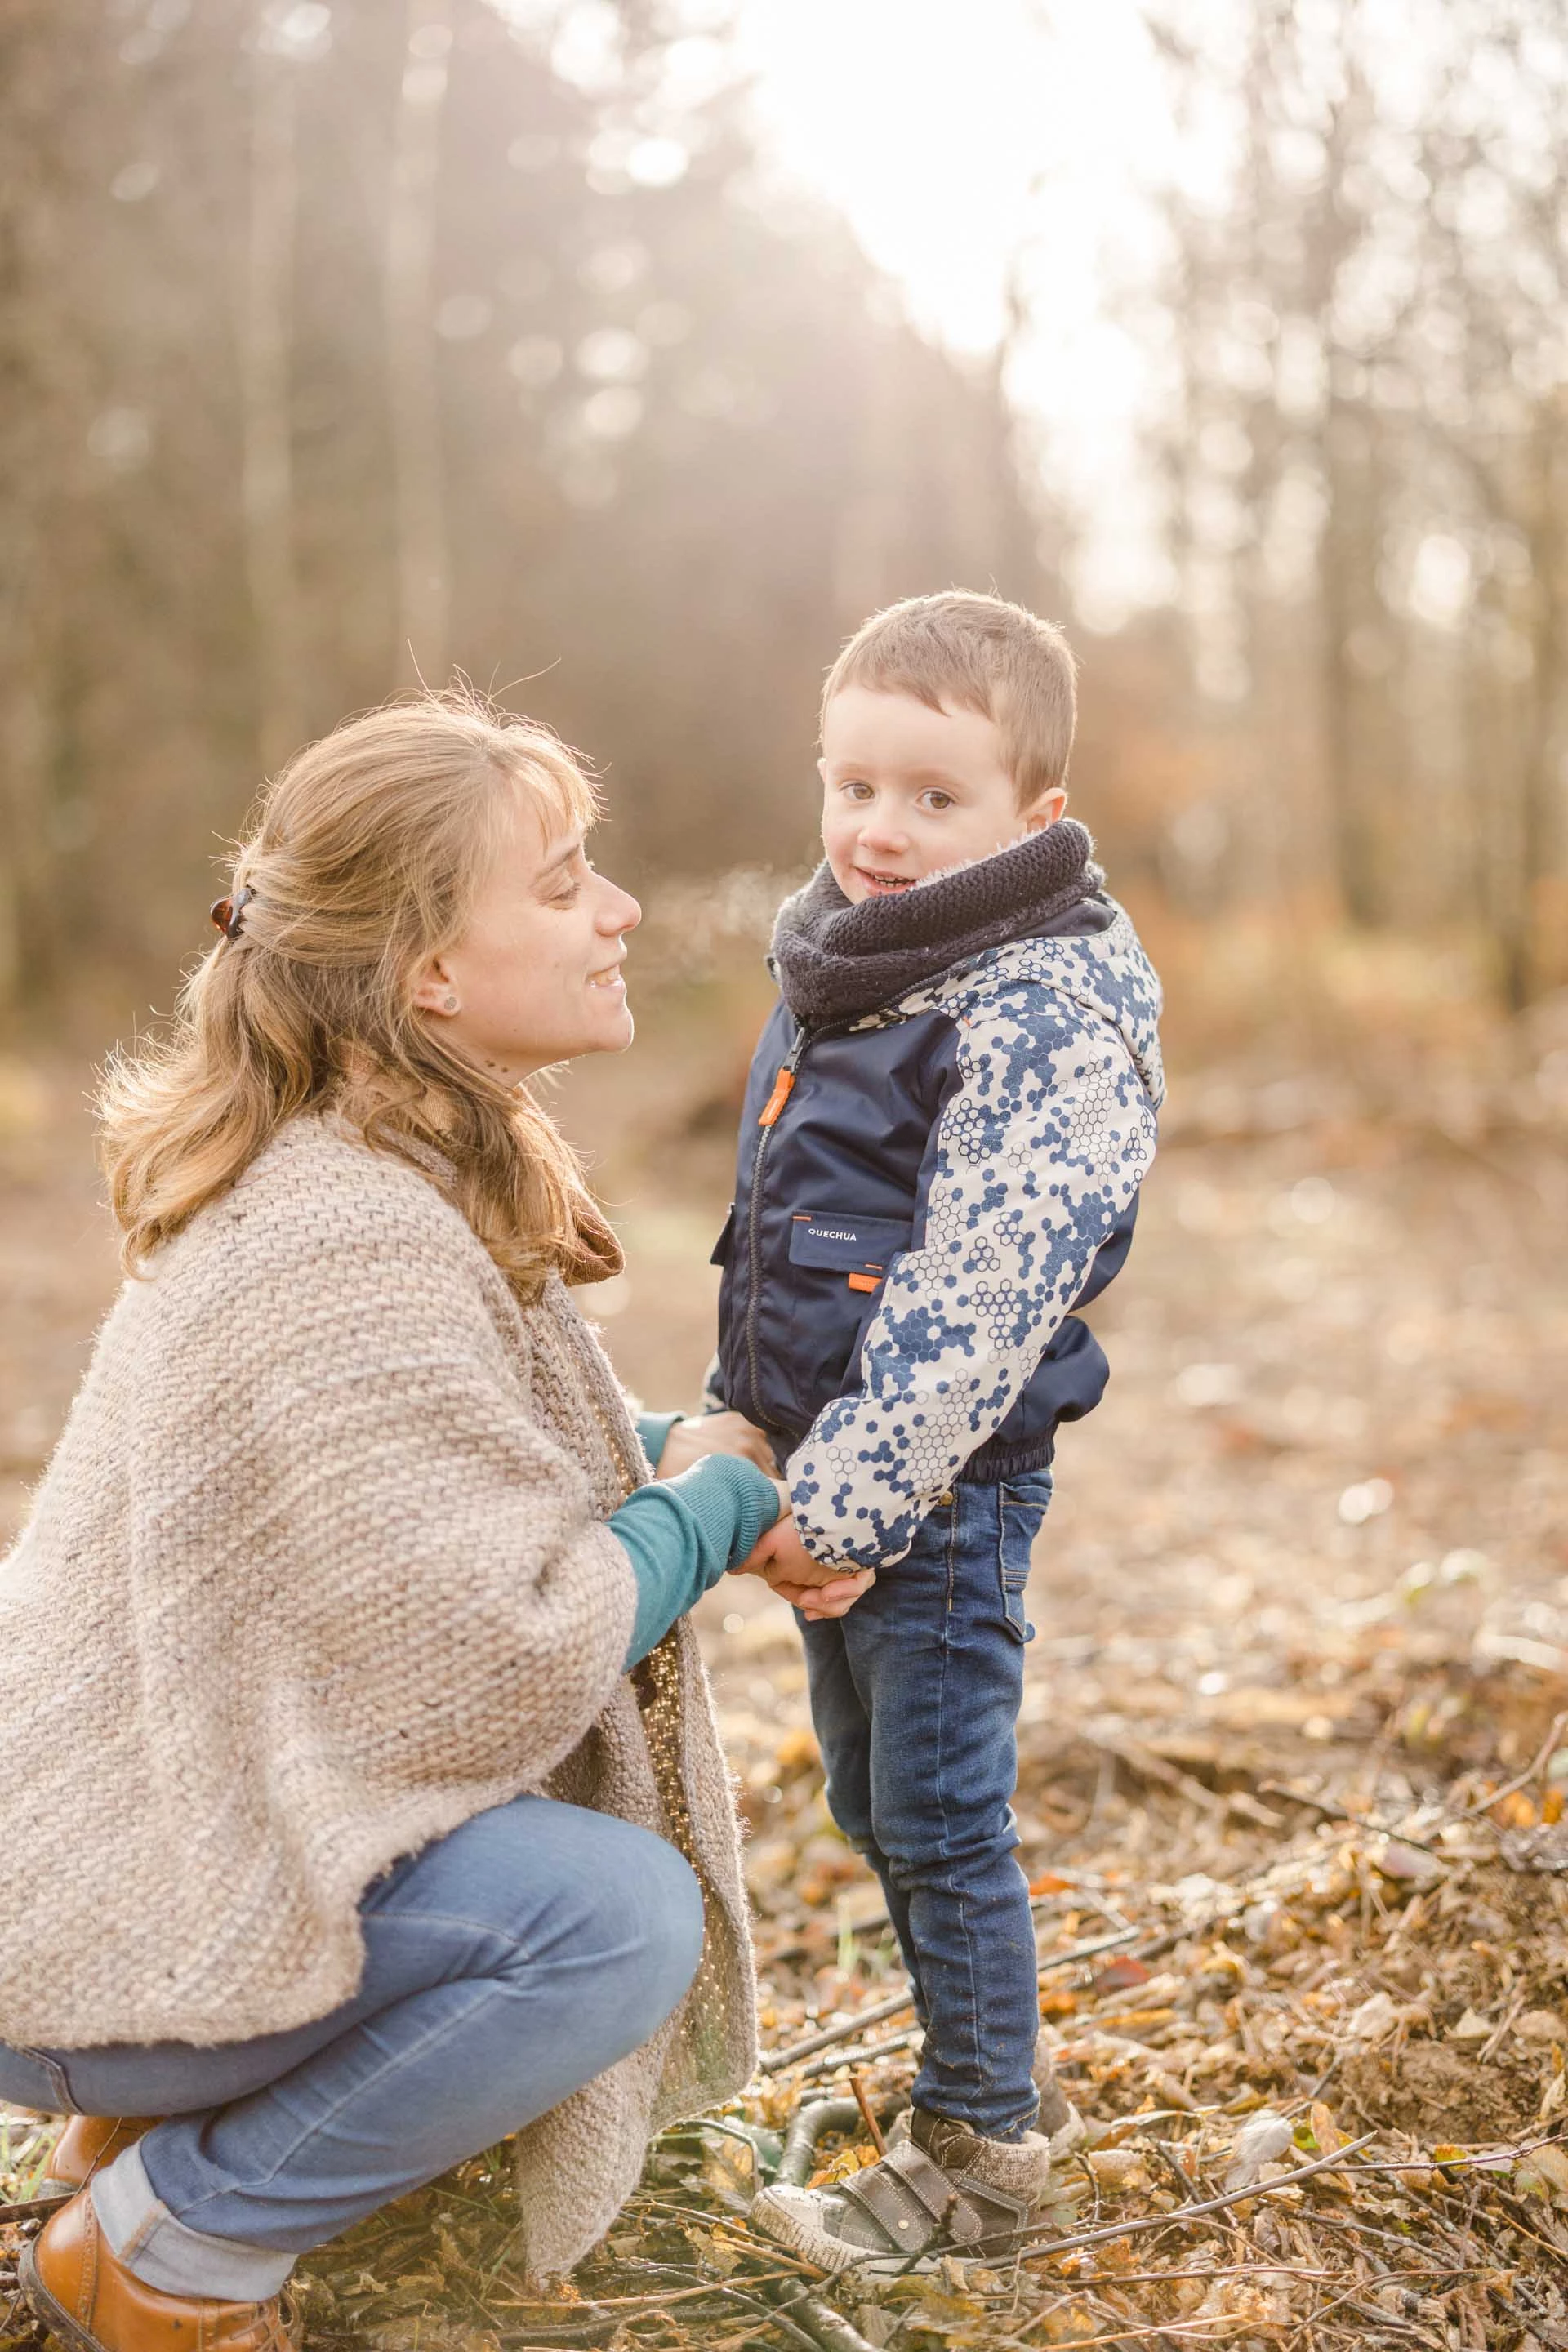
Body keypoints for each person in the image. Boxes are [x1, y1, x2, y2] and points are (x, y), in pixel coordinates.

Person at [0, 688, 860, 2352]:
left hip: (83, 1886)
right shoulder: (350, 1234)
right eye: (561, 884)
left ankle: (151, 2143)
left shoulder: (368, 1173)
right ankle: (166, 2247)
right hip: (88, 1927)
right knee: (608, 1923)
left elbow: (477, 1479)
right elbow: (487, 1653)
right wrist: (712, 1501)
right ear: (427, 974)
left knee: (546, 1893)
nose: (616, 911)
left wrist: (694, 1465)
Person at [712, 592, 1165, 2269]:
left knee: (939, 1812)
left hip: (943, 1493)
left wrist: (843, 1504)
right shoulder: (863, 961)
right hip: (844, 1473)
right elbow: (795, 1219)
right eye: (853, 786)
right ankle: (980, 2078)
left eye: (932, 797)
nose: (879, 832)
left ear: (1034, 817)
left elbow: (973, 1300)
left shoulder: (1039, 1007)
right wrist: (753, 1412)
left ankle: (985, 2150)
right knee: (871, 1796)